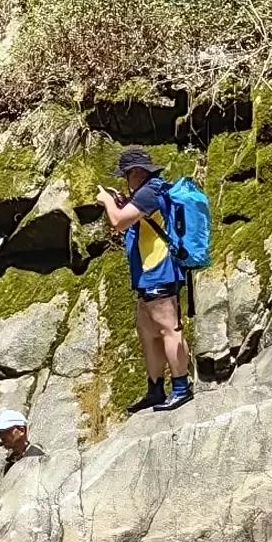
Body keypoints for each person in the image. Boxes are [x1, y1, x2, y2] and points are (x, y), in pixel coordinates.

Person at [103, 147, 213, 412]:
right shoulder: (148, 193)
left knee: (168, 328)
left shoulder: (150, 192)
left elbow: (118, 222)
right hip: (148, 274)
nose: (125, 180)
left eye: (127, 175)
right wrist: (121, 203)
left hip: (159, 271)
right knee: (147, 330)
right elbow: (132, 222)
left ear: (135, 173)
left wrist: (106, 201)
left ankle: (180, 388)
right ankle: (155, 390)